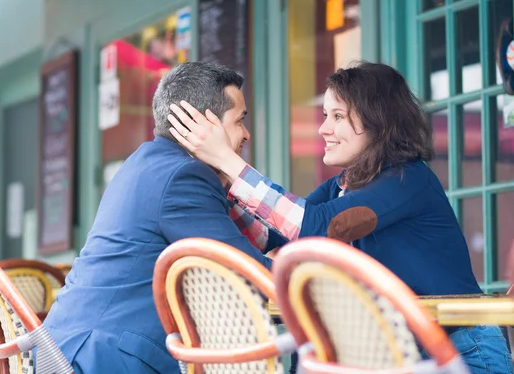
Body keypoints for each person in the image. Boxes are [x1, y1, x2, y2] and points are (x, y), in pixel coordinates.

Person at [168, 61, 513, 374]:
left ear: (377, 120)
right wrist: (220, 176)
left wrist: (229, 162)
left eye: (337, 116)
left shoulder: (407, 178)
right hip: (409, 354)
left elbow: (315, 227)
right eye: (324, 116)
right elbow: (271, 234)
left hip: (465, 353)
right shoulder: (340, 187)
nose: (323, 130)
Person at [43, 62, 281, 374]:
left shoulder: (146, 163)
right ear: (203, 124)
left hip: (65, 349)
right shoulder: (183, 175)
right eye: (240, 121)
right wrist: (330, 283)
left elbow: (253, 241)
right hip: (102, 358)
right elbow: (246, 273)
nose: (247, 134)